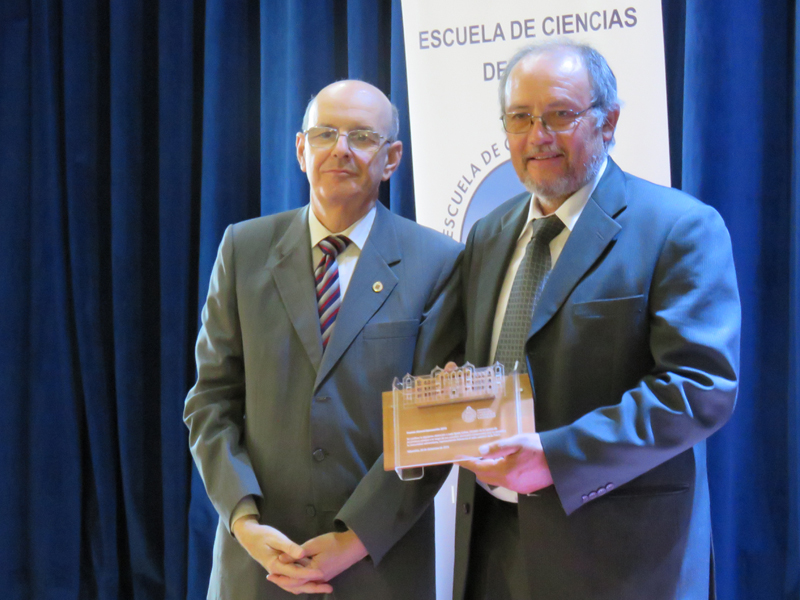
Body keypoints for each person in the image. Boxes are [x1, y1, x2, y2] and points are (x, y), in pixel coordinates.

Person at [416, 41, 741, 599]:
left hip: (620, 560)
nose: (537, 135)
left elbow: (700, 387)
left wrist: (557, 458)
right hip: (493, 550)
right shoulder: (490, 233)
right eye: (520, 117)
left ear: (608, 122)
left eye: (560, 114)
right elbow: (471, 363)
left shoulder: (679, 228)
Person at [184, 79, 462, 600]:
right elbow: (210, 402)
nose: (341, 149)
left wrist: (353, 540)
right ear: (300, 149)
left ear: (392, 158)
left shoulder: (438, 263)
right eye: (325, 134)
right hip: (260, 566)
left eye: (363, 136)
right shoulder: (243, 249)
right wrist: (244, 523)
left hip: (379, 567)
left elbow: (434, 426)